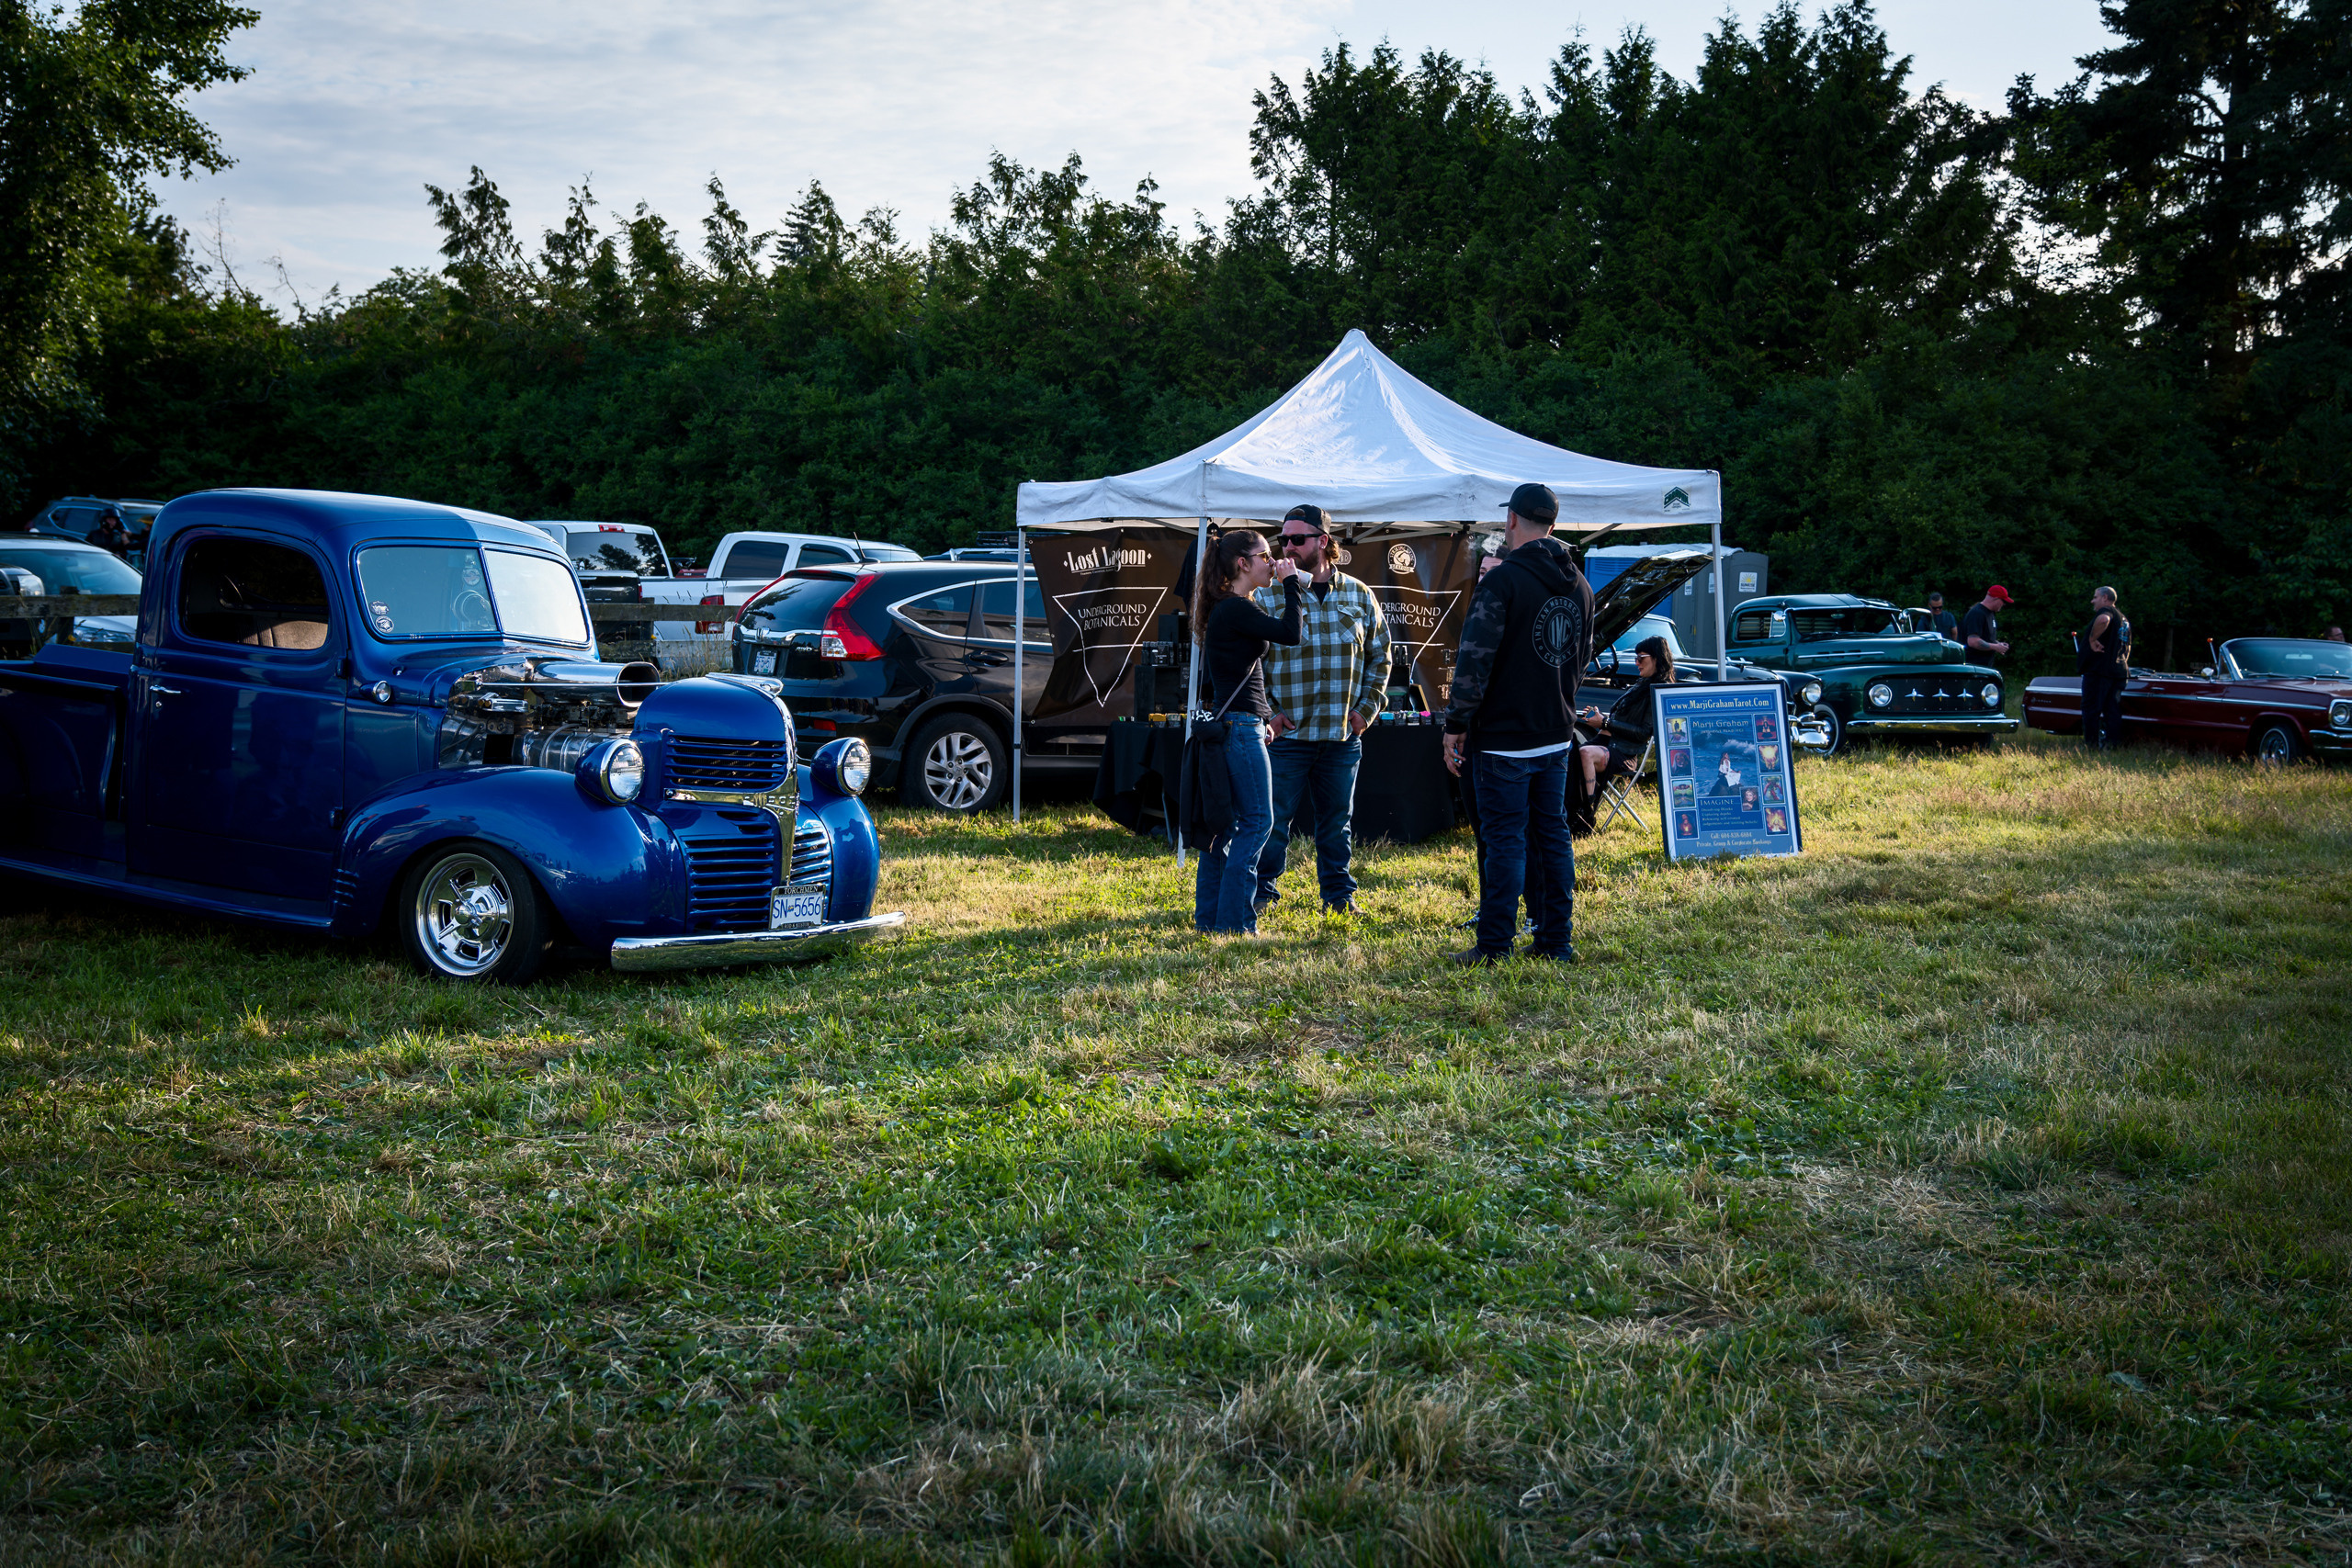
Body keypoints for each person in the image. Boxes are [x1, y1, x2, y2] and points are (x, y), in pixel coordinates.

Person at [1441, 482, 1591, 964]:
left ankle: (1494, 947)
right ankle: (1555, 942)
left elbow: (1473, 662)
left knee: (1504, 841)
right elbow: (1580, 658)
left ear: (1511, 521)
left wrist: (1456, 723)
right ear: (1552, 523)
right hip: (1554, 735)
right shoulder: (1581, 585)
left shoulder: (1501, 583)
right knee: (1553, 837)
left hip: (1504, 738)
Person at [1251, 503, 1391, 917]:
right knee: (1273, 824)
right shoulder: (1267, 594)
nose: (1287, 548)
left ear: (1324, 542)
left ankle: (1338, 897)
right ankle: (1260, 892)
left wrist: (1366, 711)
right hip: (1286, 736)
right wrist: (1269, 713)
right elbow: (1249, 663)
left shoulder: (1359, 593)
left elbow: (1380, 658)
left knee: (1336, 824)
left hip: (1341, 736)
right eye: (1283, 539)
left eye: (1298, 539)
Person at [1191, 530, 1303, 933]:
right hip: (1239, 728)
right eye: (1265, 556)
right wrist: (1291, 582)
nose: (1272, 562)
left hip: (1237, 724)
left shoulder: (1230, 608)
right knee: (1257, 822)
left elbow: (1237, 676)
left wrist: (1264, 717)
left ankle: (1212, 922)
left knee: (1226, 826)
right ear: (1243, 563)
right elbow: (1291, 633)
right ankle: (1236, 924)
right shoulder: (1235, 608)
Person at [1574, 634, 1673, 830]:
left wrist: (1606, 722)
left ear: (1656, 658)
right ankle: (1571, 812)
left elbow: (1643, 733)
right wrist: (1599, 718)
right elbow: (1616, 722)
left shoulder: (1657, 690)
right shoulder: (1640, 685)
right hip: (1607, 744)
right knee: (1570, 752)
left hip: (1624, 753)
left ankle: (1587, 812)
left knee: (1585, 753)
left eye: (1641, 658)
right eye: (1636, 658)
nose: (1637, 663)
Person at [2077, 585, 2131, 750]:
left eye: (2095, 597)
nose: (2092, 601)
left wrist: (2093, 640)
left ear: (2105, 598)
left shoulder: (2106, 612)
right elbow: (2127, 647)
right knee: (2112, 710)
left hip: (2100, 671)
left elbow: (2103, 621)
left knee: (2091, 709)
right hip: (2119, 671)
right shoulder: (2124, 620)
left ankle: (2091, 747)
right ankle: (2112, 746)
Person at [1960, 585, 2013, 664]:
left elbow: (1986, 638)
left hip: (1985, 666)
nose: (2004, 604)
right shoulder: (1977, 613)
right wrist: (1995, 647)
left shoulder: (1990, 613)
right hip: (1974, 666)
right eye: (2003, 601)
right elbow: (1973, 641)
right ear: (1996, 598)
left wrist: (1999, 645)